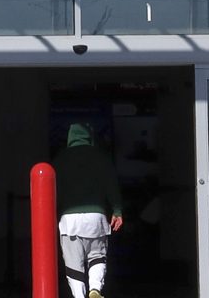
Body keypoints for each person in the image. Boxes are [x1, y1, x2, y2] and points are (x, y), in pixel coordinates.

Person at [52, 122, 124, 298]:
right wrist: (117, 210)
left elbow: (53, 192)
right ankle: (95, 289)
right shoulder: (101, 157)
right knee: (97, 256)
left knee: (73, 265)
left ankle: (79, 296)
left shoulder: (59, 160)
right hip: (96, 217)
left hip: (69, 221)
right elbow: (111, 186)